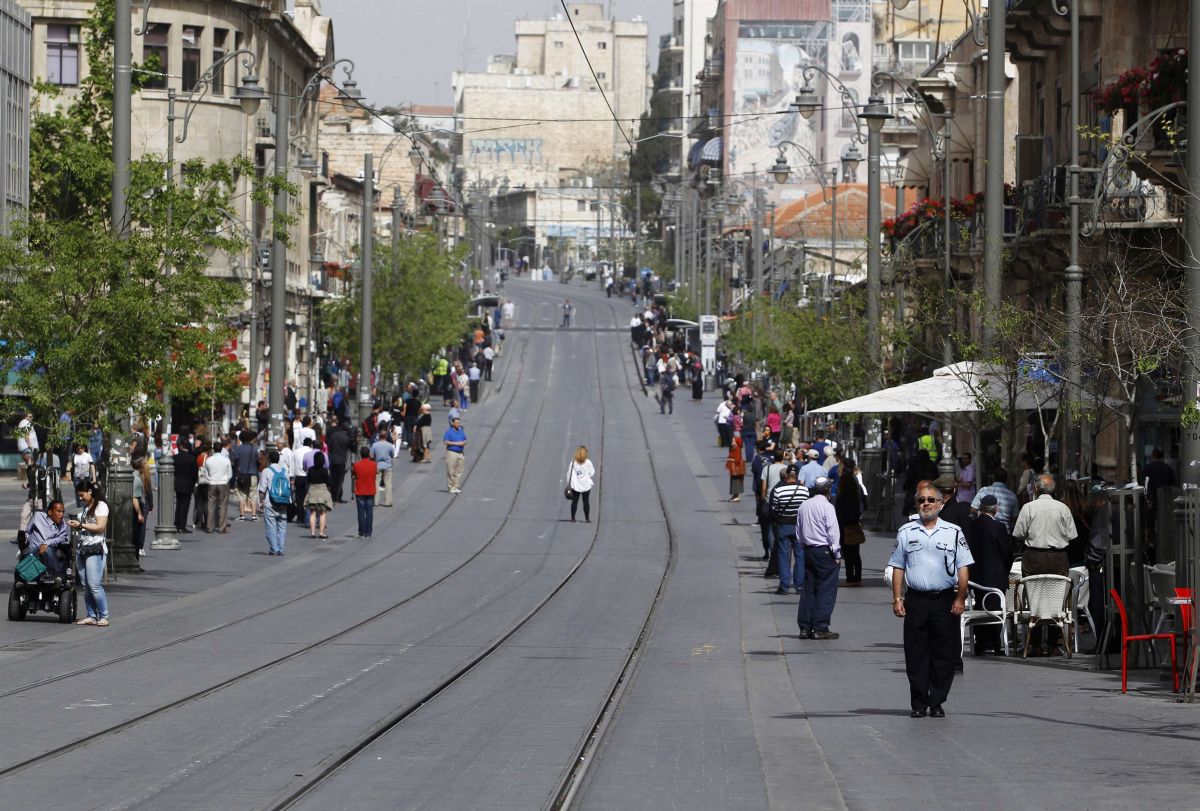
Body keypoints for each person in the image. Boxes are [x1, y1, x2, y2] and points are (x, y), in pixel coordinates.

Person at [889, 483, 973, 717]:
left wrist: (960, 598)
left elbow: (963, 568)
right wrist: (897, 598)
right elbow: (897, 566)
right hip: (916, 600)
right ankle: (918, 704)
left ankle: (936, 701)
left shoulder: (953, 532)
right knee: (915, 655)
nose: (925, 504)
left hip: (944, 600)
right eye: (921, 500)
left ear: (940, 503)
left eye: (930, 500)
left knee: (944, 654)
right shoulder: (906, 531)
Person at [1012, 474, 1077, 655]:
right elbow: (1072, 535)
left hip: (1034, 558)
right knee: (1057, 598)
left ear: (1036, 489)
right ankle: (1054, 644)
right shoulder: (1063, 508)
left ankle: (1035, 644)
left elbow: (1018, 533)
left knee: (1035, 598)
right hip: (1058, 558)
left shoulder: (1028, 508)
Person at [795, 476, 842, 639]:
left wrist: (803, 547)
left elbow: (799, 531)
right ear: (828, 490)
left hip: (809, 551)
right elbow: (833, 532)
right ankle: (820, 627)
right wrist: (837, 553)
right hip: (824, 551)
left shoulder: (804, 505)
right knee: (826, 589)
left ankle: (804, 626)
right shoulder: (827, 507)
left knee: (809, 588)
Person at [967, 494, 1013, 655]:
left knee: (980, 606)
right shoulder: (998, 527)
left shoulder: (972, 525)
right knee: (995, 609)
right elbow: (1006, 552)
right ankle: (994, 642)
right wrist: (1006, 569)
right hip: (994, 575)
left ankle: (980, 642)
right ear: (996, 509)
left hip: (976, 576)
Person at [70, 480, 110, 626]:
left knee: (94, 585)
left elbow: (100, 527)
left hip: (95, 548)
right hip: (83, 548)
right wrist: (77, 526)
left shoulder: (101, 506)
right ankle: (91, 615)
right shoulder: (86, 509)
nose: (80, 498)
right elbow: (85, 528)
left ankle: (104, 615)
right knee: (86, 585)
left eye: (82, 495)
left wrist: (80, 524)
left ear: (90, 492)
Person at [769, 465, 808, 596]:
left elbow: (773, 509)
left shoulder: (779, 490)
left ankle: (784, 586)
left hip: (783, 525)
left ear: (786, 475)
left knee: (783, 556)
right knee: (800, 556)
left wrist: (779, 518)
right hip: (799, 526)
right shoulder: (804, 491)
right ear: (797, 475)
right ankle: (799, 586)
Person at [835, 463, 866, 586]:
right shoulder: (855, 494)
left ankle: (850, 577)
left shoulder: (842, 497)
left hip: (844, 527)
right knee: (856, 553)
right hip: (854, 525)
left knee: (847, 554)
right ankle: (857, 577)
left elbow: (839, 513)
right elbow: (864, 506)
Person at [24, 500, 69, 578]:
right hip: (34, 549)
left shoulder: (62, 525)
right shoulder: (38, 516)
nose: (61, 515)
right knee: (28, 554)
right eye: (58, 511)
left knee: (48, 550)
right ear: (50, 512)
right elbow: (27, 531)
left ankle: (57, 576)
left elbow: (62, 538)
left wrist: (47, 543)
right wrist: (26, 541)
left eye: (63, 512)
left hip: (49, 550)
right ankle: (25, 579)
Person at [258, 450, 289, 555]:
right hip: (283, 503)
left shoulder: (266, 471)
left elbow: (262, 489)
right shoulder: (285, 471)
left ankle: (274, 548)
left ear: (269, 459)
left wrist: (261, 501)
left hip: (270, 503)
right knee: (282, 526)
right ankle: (281, 548)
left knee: (270, 526)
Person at [203, 441, 233, 534]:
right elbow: (230, 474)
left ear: (213, 449)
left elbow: (206, 472)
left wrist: (210, 479)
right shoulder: (226, 460)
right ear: (221, 449)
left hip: (212, 483)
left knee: (211, 505)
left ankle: (209, 527)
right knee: (223, 505)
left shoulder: (209, 460)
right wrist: (225, 480)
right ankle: (222, 527)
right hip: (223, 483)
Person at [305, 451, 333, 539]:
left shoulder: (310, 469)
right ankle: (321, 533)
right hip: (322, 492)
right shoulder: (324, 470)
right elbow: (328, 482)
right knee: (322, 513)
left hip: (312, 491)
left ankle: (312, 533)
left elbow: (307, 480)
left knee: (312, 513)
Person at [351, 446, 377, 539]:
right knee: (369, 512)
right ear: (369, 454)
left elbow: (353, 474)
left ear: (361, 455)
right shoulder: (374, 464)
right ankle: (368, 532)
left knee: (361, 513)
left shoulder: (357, 465)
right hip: (370, 491)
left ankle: (361, 532)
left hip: (360, 491)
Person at [233, 430, 258, 522]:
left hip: (241, 475)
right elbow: (257, 461)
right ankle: (254, 515)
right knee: (253, 495)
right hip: (253, 475)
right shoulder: (254, 449)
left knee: (241, 495)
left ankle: (242, 515)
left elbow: (235, 462)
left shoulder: (238, 449)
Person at [566, 445, 595, 523]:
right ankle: (587, 518)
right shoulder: (588, 462)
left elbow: (569, 473)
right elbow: (592, 473)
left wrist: (569, 483)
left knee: (575, 501)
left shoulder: (573, 462)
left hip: (576, 485)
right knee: (586, 501)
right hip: (586, 485)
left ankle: (573, 518)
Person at [173, 439, 197, 533]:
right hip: (188, 484)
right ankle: (182, 525)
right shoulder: (192, 458)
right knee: (185, 505)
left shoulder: (176, 457)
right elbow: (195, 473)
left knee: (179, 504)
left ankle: (177, 523)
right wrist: (193, 482)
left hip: (178, 483)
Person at [131, 457, 153, 561]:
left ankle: (138, 548)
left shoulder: (138, 476)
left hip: (142, 503)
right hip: (142, 504)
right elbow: (136, 497)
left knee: (139, 528)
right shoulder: (139, 478)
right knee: (140, 528)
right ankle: (139, 547)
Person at [327, 418, 352, 503]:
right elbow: (353, 449)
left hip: (333, 459)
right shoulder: (347, 438)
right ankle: (337, 496)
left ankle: (333, 496)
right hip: (341, 461)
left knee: (333, 478)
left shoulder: (334, 435)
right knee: (340, 479)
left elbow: (329, 447)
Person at [370, 429, 396, 508]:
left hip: (377, 466)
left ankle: (376, 501)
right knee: (388, 483)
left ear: (379, 436)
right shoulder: (389, 445)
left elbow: (371, 456)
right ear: (386, 436)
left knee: (376, 483)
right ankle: (388, 502)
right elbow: (392, 454)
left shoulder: (375, 445)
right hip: (387, 466)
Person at [444, 416, 467, 494]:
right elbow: (445, 441)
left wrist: (463, 443)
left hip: (460, 453)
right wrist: (456, 443)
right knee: (451, 470)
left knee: (459, 471)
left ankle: (456, 486)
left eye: (459, 422)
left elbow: (465, 439)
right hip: (452, 452)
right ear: (453, 423)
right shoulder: (449, 432)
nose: (458, 424)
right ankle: (451, 486)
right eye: (457, 423)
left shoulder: (461, 431)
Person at [725, 434, 745, 502]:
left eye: (733, 440)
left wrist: (730, 459)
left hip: (736, 469)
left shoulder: (737, 449)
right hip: (733, 469)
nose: (732, 441)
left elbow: (738, 459)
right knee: (733, 481)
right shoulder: (734, 448)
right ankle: (734, 495)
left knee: (735, 482)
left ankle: (736, 496)